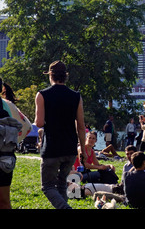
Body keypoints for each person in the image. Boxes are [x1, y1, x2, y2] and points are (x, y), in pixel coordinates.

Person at [35, 60, 87, 209]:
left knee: (48, 186)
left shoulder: (42, 95)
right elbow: (81, 127)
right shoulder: (76, 96)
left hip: (51, 148)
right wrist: (82, 149)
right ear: (65, 76)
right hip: (70, 148)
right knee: (62, 184)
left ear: (50, 75)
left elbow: (38, 123)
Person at [0, 79, 32, 209]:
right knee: (4, 201)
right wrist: (11, 142)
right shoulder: (6, 105)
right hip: (4, 159)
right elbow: (27, 127)